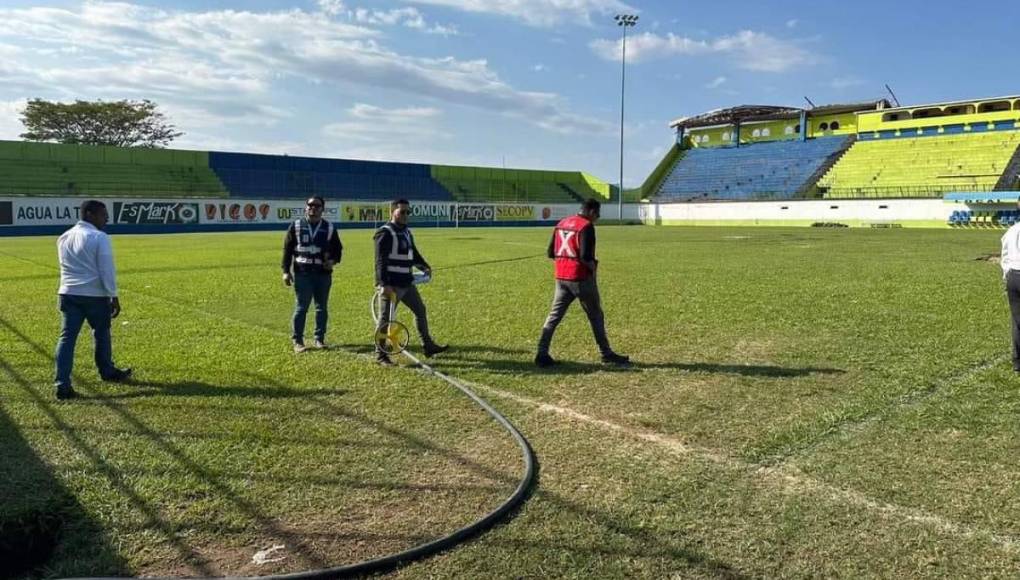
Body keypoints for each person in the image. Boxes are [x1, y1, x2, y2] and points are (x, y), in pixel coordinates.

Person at [535, 198, 630, 367]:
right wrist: (593, 266)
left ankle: (541, 353)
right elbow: (585, 256)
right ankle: (606, 353)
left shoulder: (562, 223)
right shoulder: (586, 227)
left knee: (554, 316)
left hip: (561, 277)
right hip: (581, 278)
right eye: (597, 214)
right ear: (592, 212)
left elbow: (550, 253)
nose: (597, 218)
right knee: (596, 316)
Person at [53, 200, 132, 400]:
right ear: (89, 214)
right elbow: (106, 269)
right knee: (101, 333)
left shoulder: (64, 237)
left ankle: (62, 383)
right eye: (103, 215)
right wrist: (113, 295)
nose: (107, 219)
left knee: (67, 338)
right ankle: (107, 371)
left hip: (68, 292)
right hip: (94, 295)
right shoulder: (99, 237)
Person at [373, 199, 448, 366]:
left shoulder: (406, 232)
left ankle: (427, 345)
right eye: (402, 212)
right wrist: (383, 284)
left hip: (407, 283)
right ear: (392, 212)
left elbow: (413, 254)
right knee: (385, 319)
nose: (406, 215)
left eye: (408, 212)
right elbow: (380, 261)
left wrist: (424, 266)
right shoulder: (384, 233)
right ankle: (380, 355)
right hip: (391, 285)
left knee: (420, 310)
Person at [282, 196, 343, 352]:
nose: (313, 208)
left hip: (323, 274)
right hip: (303, 274)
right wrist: (285, 272)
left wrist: (333, 261)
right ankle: (298, 341)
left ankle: (319, 339)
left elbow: (338, 250)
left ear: (323, 209)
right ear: (305, 207)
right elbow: (287, 251)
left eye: (317, 206)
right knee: (301, 308)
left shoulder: (329, 228)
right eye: (310, 205)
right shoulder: (295, 226)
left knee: (321, 308)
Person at [1002, 208, 1020, 372]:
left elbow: (1005, 255)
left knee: (1017, 321)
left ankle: (1017, 362)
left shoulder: (1012, 230)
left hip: (1013, 276)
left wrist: (1006, 276)